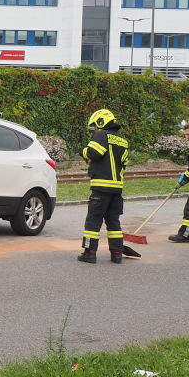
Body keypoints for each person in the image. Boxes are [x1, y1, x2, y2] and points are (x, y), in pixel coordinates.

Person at [78, 108, 129, 264]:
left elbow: (94, 153)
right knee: (113, 221)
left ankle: (90, 252)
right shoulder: (123, 140)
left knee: (93, 221)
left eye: (96, 125)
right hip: (117, 188)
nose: (96, 129)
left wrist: (83, 151)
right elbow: (124, 164)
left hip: (101, 187)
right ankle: (117, 254)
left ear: (101, 122)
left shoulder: (101, 135)